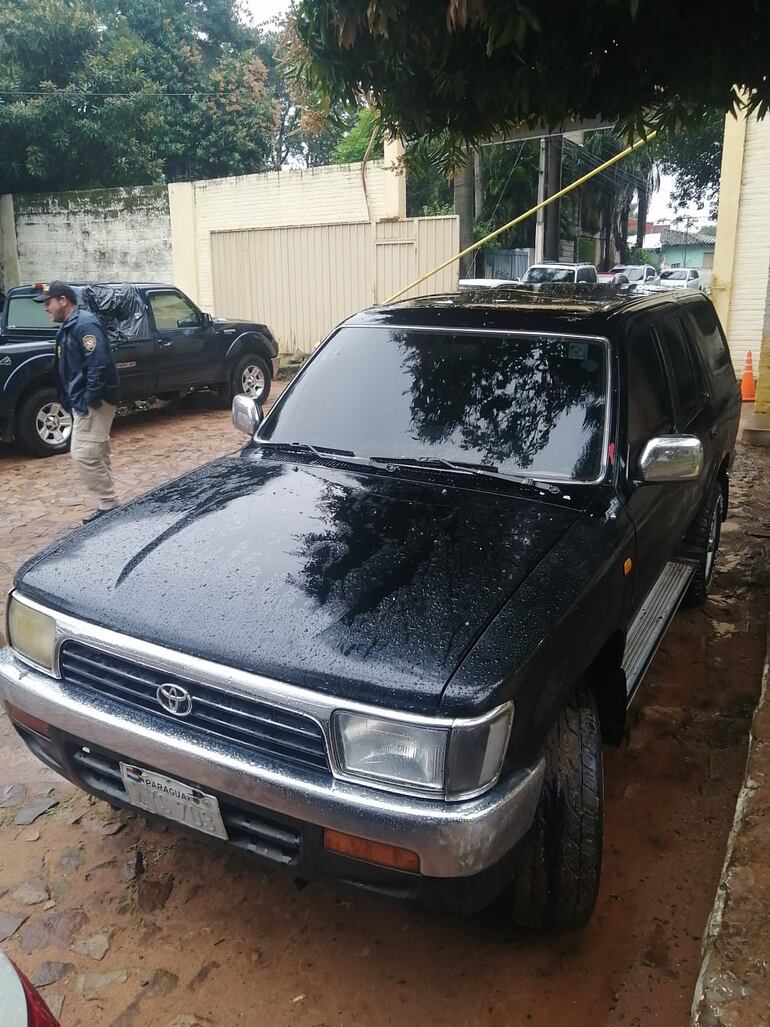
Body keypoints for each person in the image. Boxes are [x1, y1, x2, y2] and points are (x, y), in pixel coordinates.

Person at [34, 281, 121, 523]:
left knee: (83, 454)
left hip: (93, 401)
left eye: (48, 302)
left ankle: (109, 505)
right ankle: (110, 505)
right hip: (82, 399)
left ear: (63, 300)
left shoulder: (84, 324)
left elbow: (98, 365)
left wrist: (89, 400)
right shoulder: (69, 326)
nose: (45, 308)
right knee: (96, 451)